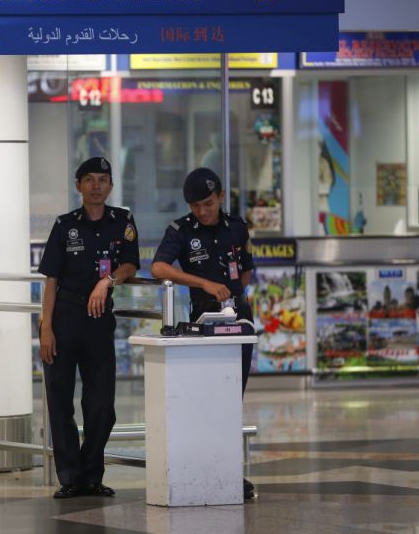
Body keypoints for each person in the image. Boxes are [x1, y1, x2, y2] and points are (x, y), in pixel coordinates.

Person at [150, 167, 256, 500]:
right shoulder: (181, 230)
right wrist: (204, 284)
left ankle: (228, 473)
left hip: (239, 324)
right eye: (196, 205)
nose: (202, 211)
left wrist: (234, 295)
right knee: (207, 400)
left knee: (231, 400)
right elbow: (159, 267)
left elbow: (247, 269)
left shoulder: (237, 228)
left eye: (208, 203)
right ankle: (204, 469)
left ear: (221, 196)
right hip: (204, 323)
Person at [38, 157, 140, 499]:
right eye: (89, 180)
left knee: (101, 404)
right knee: (60, 398)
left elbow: (129, 263)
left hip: (98, 320)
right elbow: (51, 280)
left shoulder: (122, 222)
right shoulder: (65, 225)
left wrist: (106, 282)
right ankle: (70, 477)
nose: (96, 186)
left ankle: (91, 473)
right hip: (64, 318)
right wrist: (45, 328)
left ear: (110, 186)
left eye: (103, 179)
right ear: (78, 186)